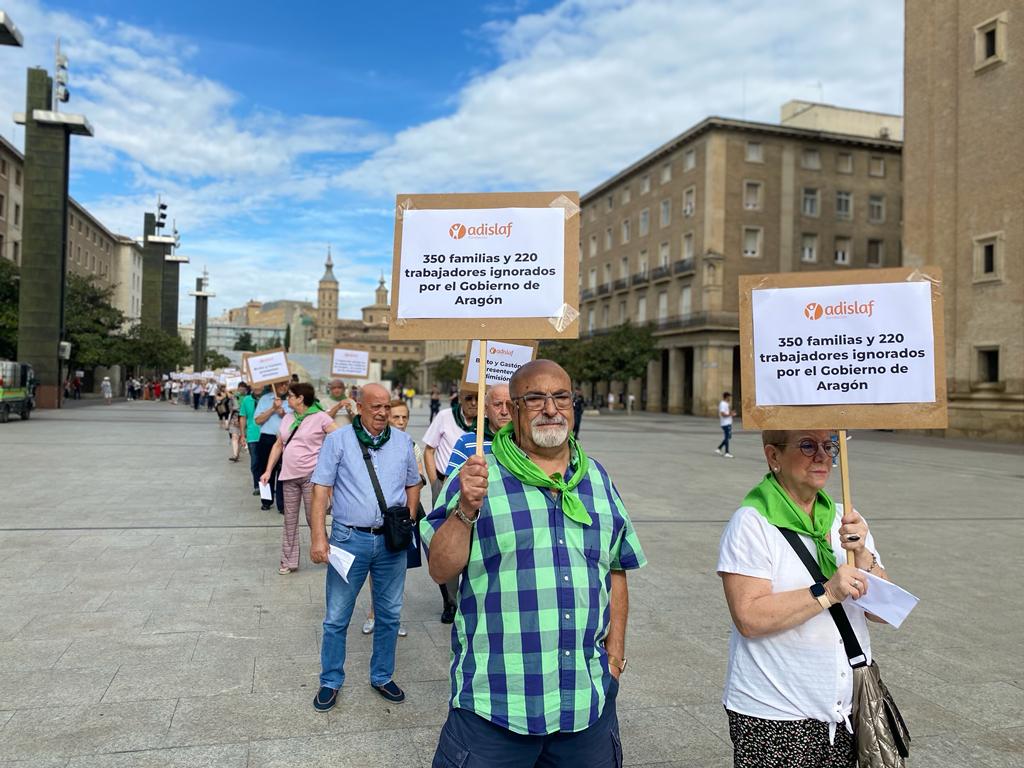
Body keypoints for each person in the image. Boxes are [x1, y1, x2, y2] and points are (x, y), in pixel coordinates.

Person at [422, 360, 646, 766]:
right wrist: (465, 511)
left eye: (561, 397)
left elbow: (616, 568)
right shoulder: (478, 475)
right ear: (516, 408)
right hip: (495, 709)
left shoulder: (596, 479)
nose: (550, 408)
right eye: (536, 398)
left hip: (585, 707)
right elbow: (439, 568)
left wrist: (615, 657)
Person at [717, 430, 890, 768]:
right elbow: (749, 617)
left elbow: (881, 614)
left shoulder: (847, 518)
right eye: (808, 445)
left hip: (846, 714)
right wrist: (827, 592)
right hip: (776, 716)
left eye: (829, 445)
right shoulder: (752, 524)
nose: (823, 456)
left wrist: (863, 555)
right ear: (774, 456)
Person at [308, 383, 421, 712]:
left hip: (390, 542)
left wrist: (409, 518)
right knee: (336, 616)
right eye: (376, 408)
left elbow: (414, 482)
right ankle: (330, 680)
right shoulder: (338, 440)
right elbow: (320, 489)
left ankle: (382, 676)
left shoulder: (402, 442)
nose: (383, 413)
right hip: (348, 540)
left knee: (389, 615)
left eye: (387, 407)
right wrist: (319, 537)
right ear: (359, 408)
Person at [363, 398, 425, 638]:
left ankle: (392, 616)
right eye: (396, 417)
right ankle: (373, 613)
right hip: (377, 517)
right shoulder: (373, 443)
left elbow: (418, 479)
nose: (400, 422)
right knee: (374, 568)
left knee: (397, 569)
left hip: (402, 517)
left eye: (404, 418)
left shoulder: (411, 445)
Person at [260, 382, 337, 574]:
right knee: (290, 521)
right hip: (288, 476)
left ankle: (327, 555)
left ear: (300, 398)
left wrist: (329, 462)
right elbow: (278, 444)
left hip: (312, 476)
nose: (288, 399)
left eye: (290, 396)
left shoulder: (321, 417)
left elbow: (340, 436)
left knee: (315, 519)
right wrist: (268, 471)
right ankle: (288, 561)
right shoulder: (287, 417)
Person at [422, 388, 479, 623]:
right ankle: (449, 600)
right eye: (469, 398)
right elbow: (429, 449)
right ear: (459, 399)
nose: (474, 403)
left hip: (476, 490)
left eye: (478, 399)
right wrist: (435, 481)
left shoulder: (487, 424)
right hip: (447, 483)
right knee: (445, 538)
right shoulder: (445, 416)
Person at [443, 384, 511, 476]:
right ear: (485, 409)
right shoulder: (466, 442)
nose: (504, 411)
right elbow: (449, 485)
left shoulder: (525, 442)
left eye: (509, 405)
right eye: (497, 404)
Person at [254, 381, 292, 512]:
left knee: (284, 472)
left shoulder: (292, 399)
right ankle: (266, 500)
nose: (283, 387)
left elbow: (298, 420)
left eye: (286, 384)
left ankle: (282, 504)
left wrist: (283, 414)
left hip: (286, 440)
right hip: (267, 438)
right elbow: (258, 420)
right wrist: (273, 409)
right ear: (273, 386)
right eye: (280, 385)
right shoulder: (265, 399)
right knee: (265, 470)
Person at [237, 383, 262, 494]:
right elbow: (243, 417)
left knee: (267, 463)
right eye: (255, 385)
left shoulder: (269, 399)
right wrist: (242, 435)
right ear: (251, 387)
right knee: (255, 462)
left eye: (260, 385)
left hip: (268, 434)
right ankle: (257, 485)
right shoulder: (246, 400)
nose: (257, 387)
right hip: (252, 435)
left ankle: (268, 486)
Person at [715, 391, 736, 459]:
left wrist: (731, 413)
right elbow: (722, 414)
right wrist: (731, 414)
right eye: (729, 397)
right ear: (726, 397)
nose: (730, 398)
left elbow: (726, 412)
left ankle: (719, 448)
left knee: (728, 437)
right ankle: (727, 452)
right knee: (727, 437)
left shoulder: (726, 404)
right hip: (725, 423)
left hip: (727, 423)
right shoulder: (723, 404)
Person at [227, 389, 244, 462]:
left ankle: (237, 453)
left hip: (244, 418)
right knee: (234, 436)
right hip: (234, 418)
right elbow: (229, 408)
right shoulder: (233, 397)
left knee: (240, 437)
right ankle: (235, 455)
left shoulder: (248, 397)